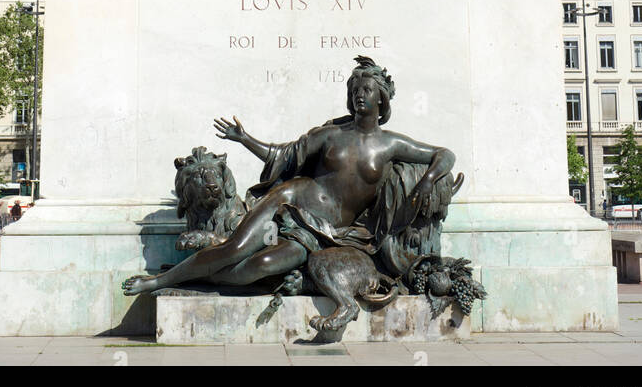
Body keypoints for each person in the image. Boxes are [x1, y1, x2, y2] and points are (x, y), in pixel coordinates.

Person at [123, 56, 457, 296]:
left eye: (367, 89)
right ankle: (160, 282)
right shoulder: (331, 134)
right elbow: (283, 156)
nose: (359, 94)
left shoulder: (392, 144)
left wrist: (428, 180)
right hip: (290, 202)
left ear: (381, 97)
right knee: (234, 249)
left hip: (325, 233)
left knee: (263, 264)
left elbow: (444, 155)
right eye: (355, 89)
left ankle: (199, 279)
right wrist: (246, 139)